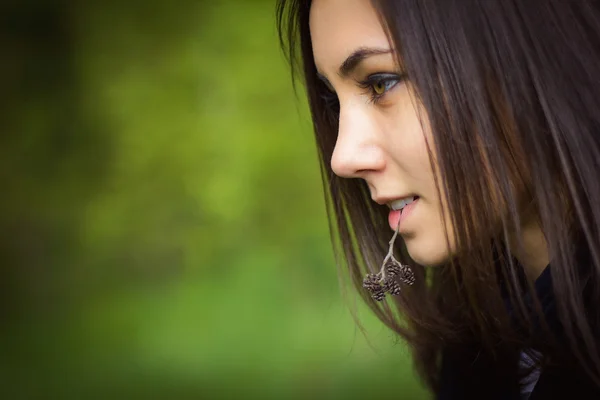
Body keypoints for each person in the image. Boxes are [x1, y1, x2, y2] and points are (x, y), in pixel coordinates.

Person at [276, 0, 600, 398]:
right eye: (332, 100)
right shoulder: (480, 341)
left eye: (381, 83)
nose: (342, 158)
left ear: (531, 55)